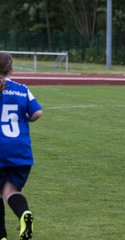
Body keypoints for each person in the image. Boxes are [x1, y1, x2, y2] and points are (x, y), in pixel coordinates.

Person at [0, 52, 42, 240]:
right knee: (10, 191)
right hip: (20, 150)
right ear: (11, 70)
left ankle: (1, 235)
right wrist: (25, 118)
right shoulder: (22, 89)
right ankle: (24, 214)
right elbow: (37, 113)